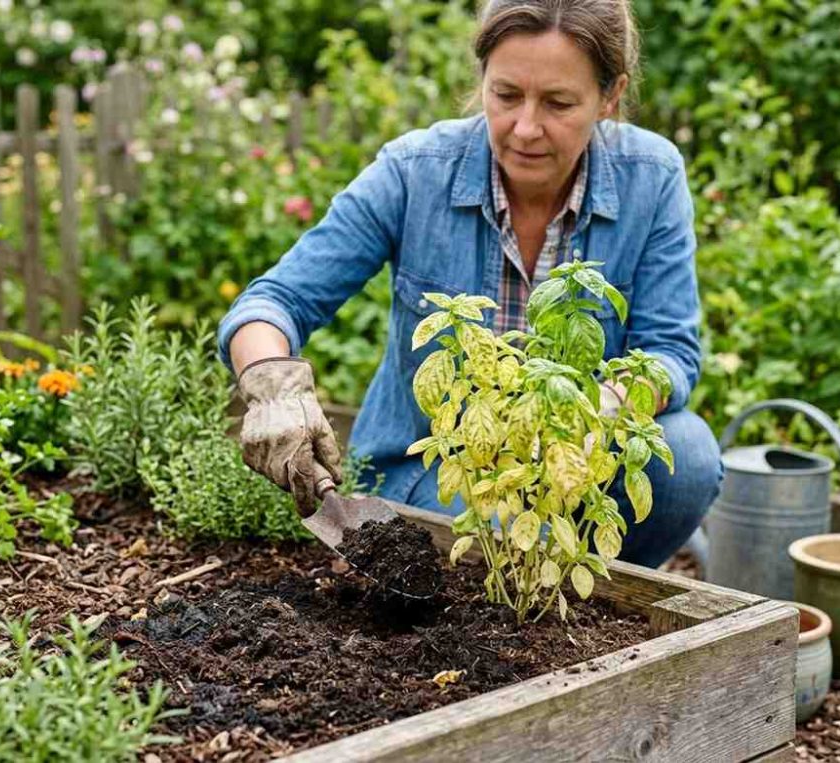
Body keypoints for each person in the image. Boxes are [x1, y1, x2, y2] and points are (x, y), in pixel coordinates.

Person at [218, 0, 723, 568]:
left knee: (688, 457)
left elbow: (669, 351)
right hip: (434, 474)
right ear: (483, 79)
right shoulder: (415, 170)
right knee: (501, 525)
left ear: (610, 96)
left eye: (558, 103)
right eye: (506, 95)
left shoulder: (650, 177)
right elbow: (276, 300)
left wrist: (604, 409)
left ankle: (601, 593)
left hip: (576, 465)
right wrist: (273, 386)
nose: (525, 128)